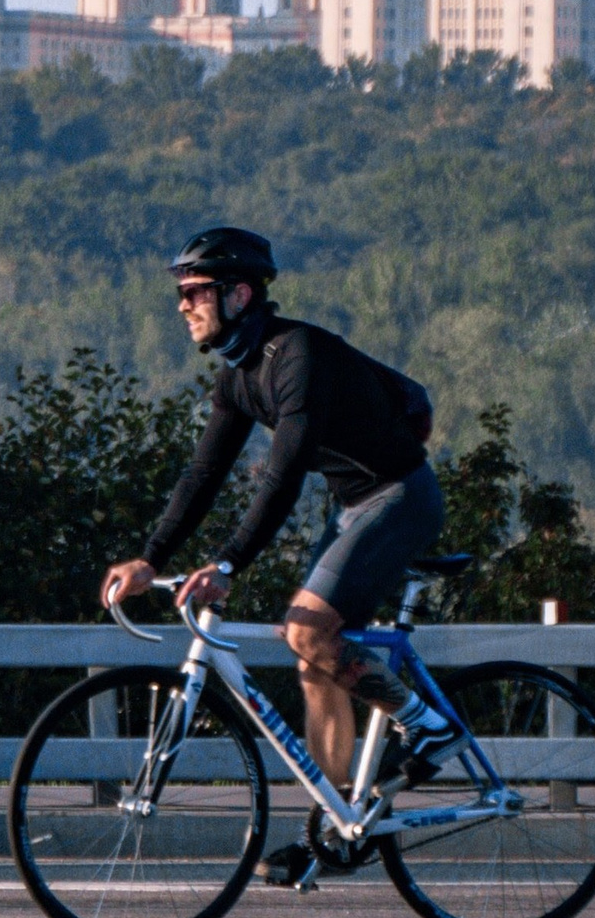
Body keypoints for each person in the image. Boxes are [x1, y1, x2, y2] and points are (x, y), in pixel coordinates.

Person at [101, 225, 447, 846]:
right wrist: (151, 559)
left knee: (309, 629)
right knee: (314, 655)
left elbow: (283, 477)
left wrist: (228, 565)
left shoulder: (299, 357)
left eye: (196, 291)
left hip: (399, 496)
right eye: (180, 292)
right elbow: (205, 472)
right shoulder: (238, 376)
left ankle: (426, 726)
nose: (183, 304)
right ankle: (344, 823)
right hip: (354, 505)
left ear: (239, 295)